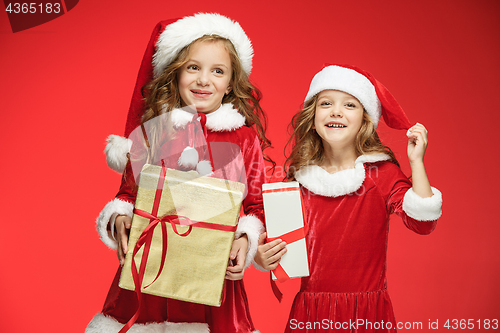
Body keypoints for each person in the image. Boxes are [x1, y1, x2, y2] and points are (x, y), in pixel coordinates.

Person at [86, 13, 270, 333]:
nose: (203, 79)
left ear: (230, 84)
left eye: (217, 71)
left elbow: (257, 206)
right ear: (175, 74)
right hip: (149, 280)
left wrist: (246, 238)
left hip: (213, 284)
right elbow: (128, 195)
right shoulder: (154, 133)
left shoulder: (244, 139)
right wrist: (119, 219)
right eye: (193, 67)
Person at [255, 64, 443, 332]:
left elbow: (423, 222)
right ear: (313, 116)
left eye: (350, 105)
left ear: (366, 119)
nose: (336, 111)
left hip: (367, 315)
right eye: (326, 103)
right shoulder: (297, 179)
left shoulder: (381, 174)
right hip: (310, 315)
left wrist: (416, 163)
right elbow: (268, 239)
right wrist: (261, 256)